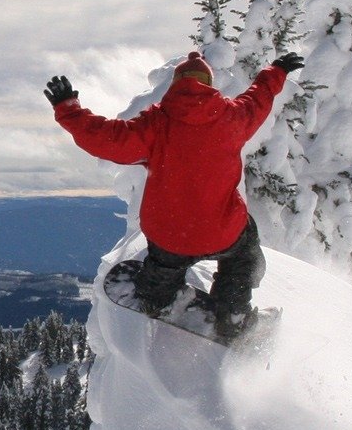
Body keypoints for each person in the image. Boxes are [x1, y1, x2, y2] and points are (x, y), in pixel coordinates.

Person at [45, 49, 303, 340]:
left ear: (176, 83)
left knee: (164, 264)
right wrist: (277, 70)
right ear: (208, 83)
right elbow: (259, 98)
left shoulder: (156, 125)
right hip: (223, 232)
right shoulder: (233, 118)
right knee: (243, 256)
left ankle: (158, 297)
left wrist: (68, 108)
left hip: (171, 236)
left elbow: (107, 138)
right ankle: (233, 312)